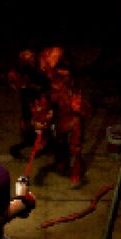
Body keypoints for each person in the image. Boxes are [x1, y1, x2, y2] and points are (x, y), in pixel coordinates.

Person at [34, 47, 92, 186]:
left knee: (76, 140)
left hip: (71, 116)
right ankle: (61, 158)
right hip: (58, 115)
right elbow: (43, 106)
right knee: (58, 138)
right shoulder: (49, 84)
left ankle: (77, 163)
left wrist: (79, 107)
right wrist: (41, 118)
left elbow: (86, 110)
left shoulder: (70, 82)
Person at [8, 49, 50, 159]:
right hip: (28, 96)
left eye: (31, 58)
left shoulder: (41, 68)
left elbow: (46, 83)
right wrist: (22, 85)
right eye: (27, 60)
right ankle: (29, 137)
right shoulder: (19, 70)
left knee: (40, 119)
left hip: (40, 97)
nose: (31, 61)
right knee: (26, 118)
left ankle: (42, 141)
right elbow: (14, 82)